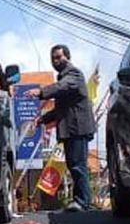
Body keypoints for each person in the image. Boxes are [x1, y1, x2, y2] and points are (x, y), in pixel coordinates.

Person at [30, 45, 96, 212]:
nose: (55, 61)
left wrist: (40, 93)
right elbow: (61, 110)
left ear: (68, 57)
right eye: (53, 58)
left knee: (77, 165)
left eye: (59, 57)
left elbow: (60, 87)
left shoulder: (73, 75)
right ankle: (80, 200)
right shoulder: (63, 78)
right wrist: (42, 119)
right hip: (70, 129)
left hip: (77, 129)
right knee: (73, 164)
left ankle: (82, 201)